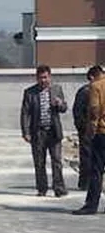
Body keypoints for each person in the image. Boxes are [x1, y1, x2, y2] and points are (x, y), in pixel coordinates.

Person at [20, 64, 68, 197]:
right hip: (38, 132)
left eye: (45, 77)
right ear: (36, 78)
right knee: (39, 162)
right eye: (40, 78)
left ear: (50, 77)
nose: (43, 80)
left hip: (53, 131)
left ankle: (59, 188)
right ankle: (42, 188)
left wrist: (60, 104)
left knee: (57, 161)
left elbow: (64, 108)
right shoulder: (29, 92)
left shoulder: (57, 89)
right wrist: (26, 132)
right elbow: (25, 113)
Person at [73, 66, 105, 215]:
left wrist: (90, 132)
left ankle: (91, 205)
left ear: (92, 77)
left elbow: (94, 110)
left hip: (101, 133)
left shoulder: (95, 86)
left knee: (96, 170)